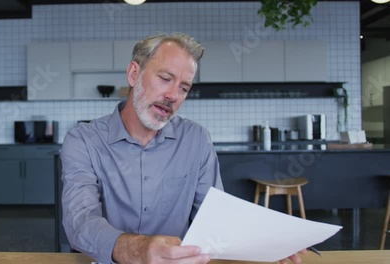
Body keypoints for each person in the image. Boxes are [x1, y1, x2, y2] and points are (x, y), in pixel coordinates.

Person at [60, 32, 304, 264]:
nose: (173, 95)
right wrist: (140, 249)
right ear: (134, 74)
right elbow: (80, 222)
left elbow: (214, 220)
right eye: (165, 79)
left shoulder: (196, 140)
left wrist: (266, 242)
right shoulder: (83, 141)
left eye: (184, 88)